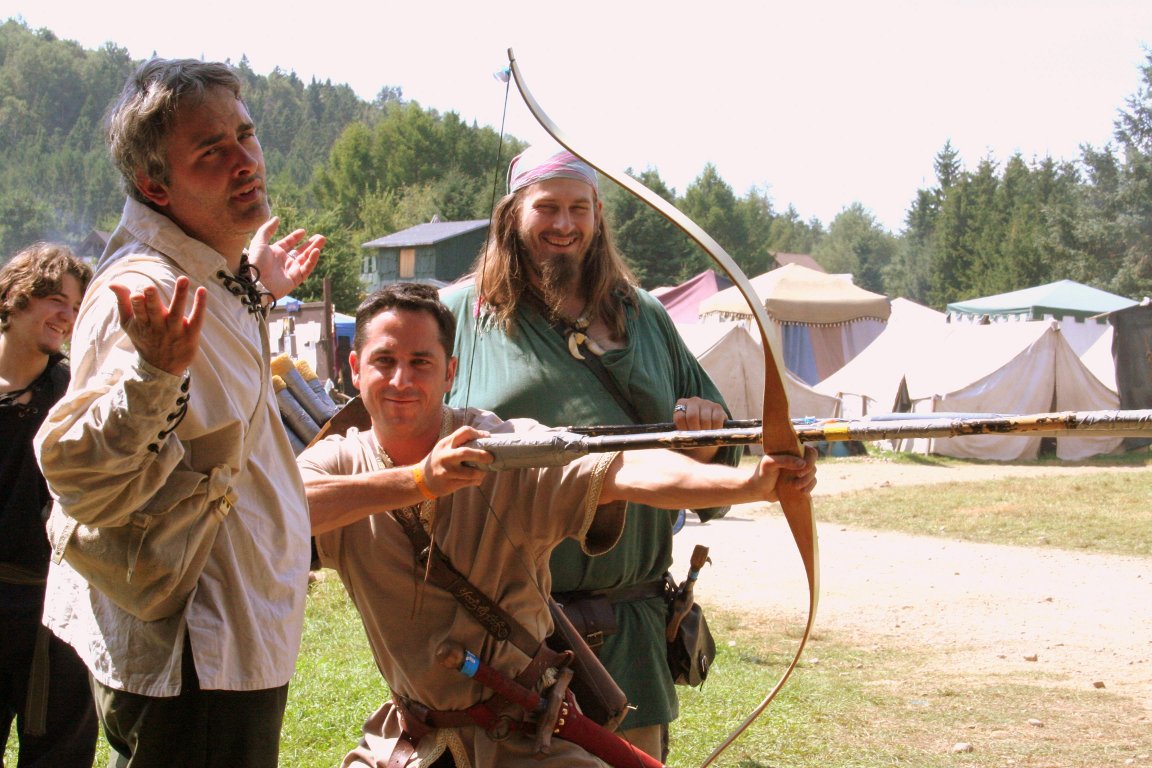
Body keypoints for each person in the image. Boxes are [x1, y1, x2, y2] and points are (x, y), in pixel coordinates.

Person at [298, 282, 816, 767]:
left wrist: (751, 484)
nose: (401, 380)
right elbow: (284, 507)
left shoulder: (501, 447)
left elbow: (626, 469)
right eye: (384, 361)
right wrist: (419, 482)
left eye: (421, 362)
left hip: (529, 735)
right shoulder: (338, 461)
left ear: (450, 372)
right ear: (355, 368)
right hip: (413, 738)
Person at [33, 58, 324, 768]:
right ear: (154, 185)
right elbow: (81, 478)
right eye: (211, 150)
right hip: (197, 656)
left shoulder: (209, 270)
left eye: (245, 135)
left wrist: (256, 289)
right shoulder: (142, 293)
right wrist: (151, 377)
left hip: (229, 639)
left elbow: (214, 393)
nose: (244, 161)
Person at [440, 144, 740, 758]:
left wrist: (708, 444)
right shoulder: (459, 315)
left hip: (629, 634)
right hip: (500, 633)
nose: (564, 223)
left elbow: (718, 456)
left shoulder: (645, 317)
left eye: (579, 208)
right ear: (511, 215)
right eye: (546, 207)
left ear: (598, 216)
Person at [0, 243, 97, 766]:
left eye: (76, 307)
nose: (67, 316)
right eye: (56, 300)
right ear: (16, 296)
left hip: (57, 608)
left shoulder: (74, 392)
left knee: (61, 752)